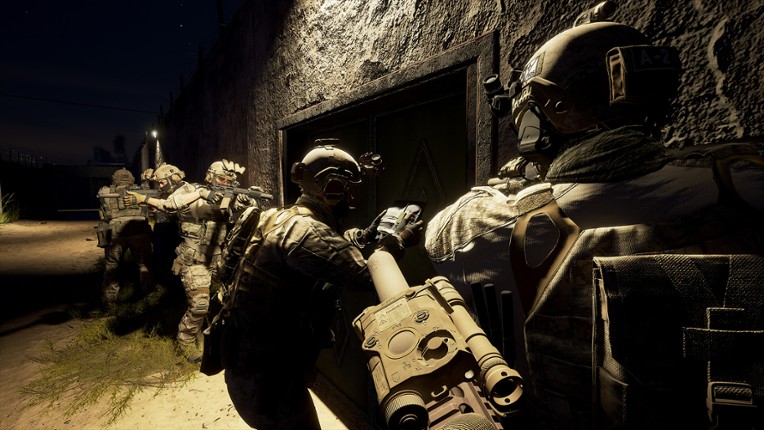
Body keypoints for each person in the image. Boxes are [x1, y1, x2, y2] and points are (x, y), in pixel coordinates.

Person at [426, 20, 764, 430]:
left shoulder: (505, 224)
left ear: (554, 110)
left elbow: (439, 235)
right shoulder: (743, 184)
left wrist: (509, 190)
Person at [222, 141, 423, 430]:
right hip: (269, 380)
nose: (351, 199)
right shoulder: (305, 231)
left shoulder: (277, 216)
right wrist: (399, 240)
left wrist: (365, 235)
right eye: (348, 191)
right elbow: (366, 275)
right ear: (332, 189)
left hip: (247, 364)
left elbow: (326, 248)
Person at [123, 160, 257, 363]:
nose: (226, 183)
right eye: (222, 179)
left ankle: (222, 336)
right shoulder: (190, 191)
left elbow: (232, 210)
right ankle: (185, 341)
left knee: (230, 299)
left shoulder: (226, 195)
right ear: (210, 177)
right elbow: (169, 205)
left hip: (220, 258)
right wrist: (203, 194)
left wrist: (245, 201)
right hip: (194, 259)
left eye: (229, 181)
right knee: (199, 306)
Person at [96, 167, 153, 308]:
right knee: (144, 265)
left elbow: (103, 213)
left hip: (117, 233)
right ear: (131, 179)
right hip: (139, 230)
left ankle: (110, 301)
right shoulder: (141, 192)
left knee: (112, 266)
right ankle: (149, 296)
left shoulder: (105, 192)